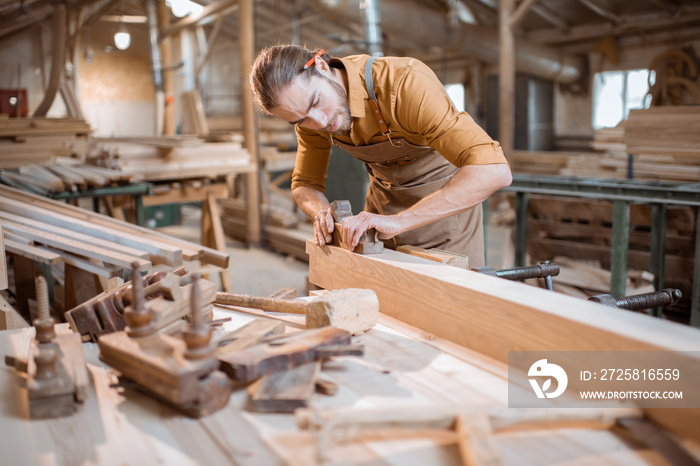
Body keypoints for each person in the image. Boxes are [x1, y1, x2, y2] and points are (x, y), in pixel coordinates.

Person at [250, 45, 512, 267]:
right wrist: (321, 214)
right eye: (300, 119)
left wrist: (400, 221)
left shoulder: (405, 83)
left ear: (320, 65)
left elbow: (494, 171)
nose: (319, 122)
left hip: (445, 220)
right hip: (379, 216)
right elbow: (304, 184)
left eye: (316, 102)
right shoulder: (308, 118)